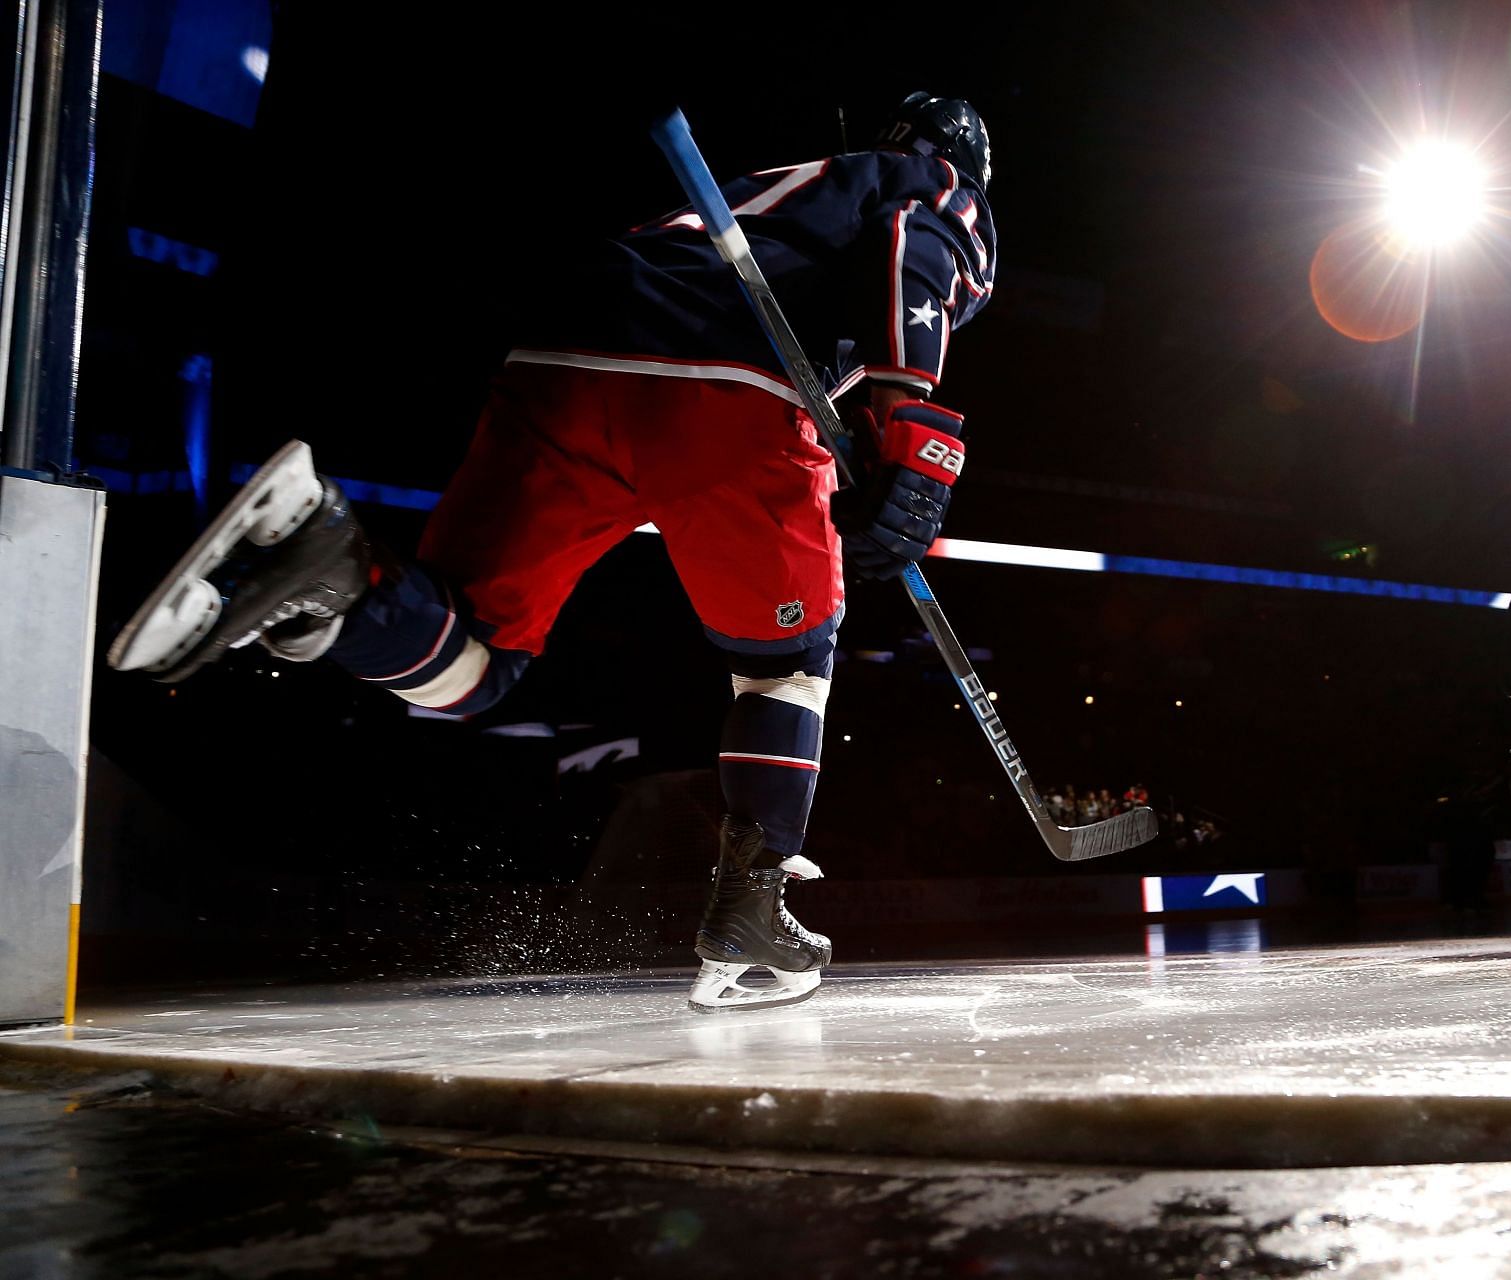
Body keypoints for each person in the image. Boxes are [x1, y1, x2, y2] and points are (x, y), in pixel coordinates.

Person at [108, 94, 998, 1013]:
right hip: (730, 379)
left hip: (571, 349)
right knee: (787, 665)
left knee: (474, 661)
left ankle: (336, 583)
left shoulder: (782, 188)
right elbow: (917, 249)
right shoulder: (933, 182)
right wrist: (913, 427)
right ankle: (752, 907)